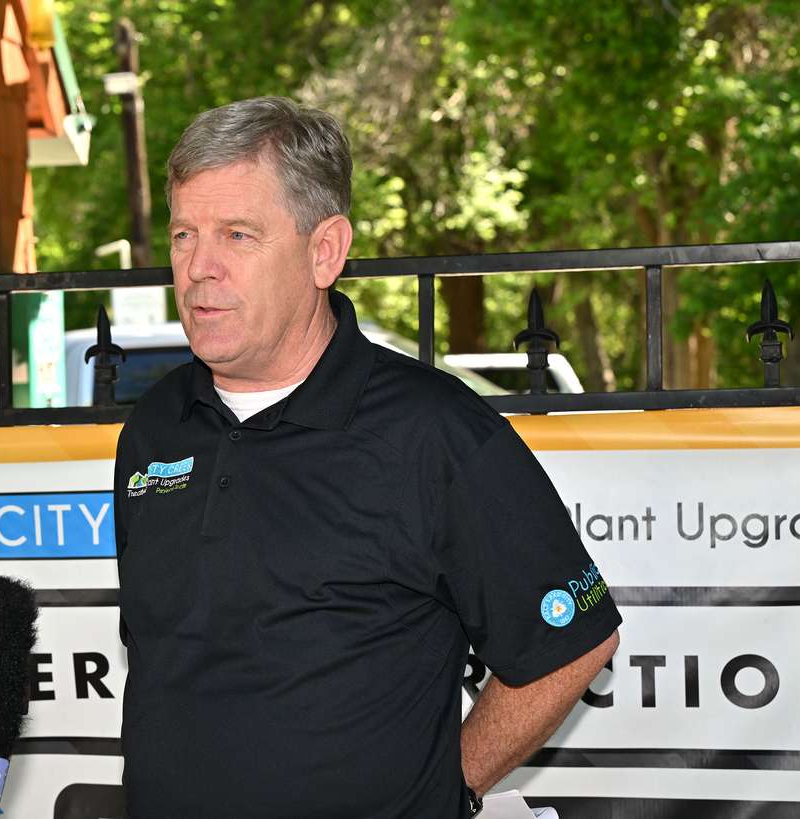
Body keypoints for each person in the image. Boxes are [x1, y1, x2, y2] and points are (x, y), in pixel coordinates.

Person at [113, 96, 621, 818]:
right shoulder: (155, 429)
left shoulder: (434, 433)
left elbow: (575, 639)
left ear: (325, 250)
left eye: (237, 234)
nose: (199, 268)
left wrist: (447, 787)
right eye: (183, 234)